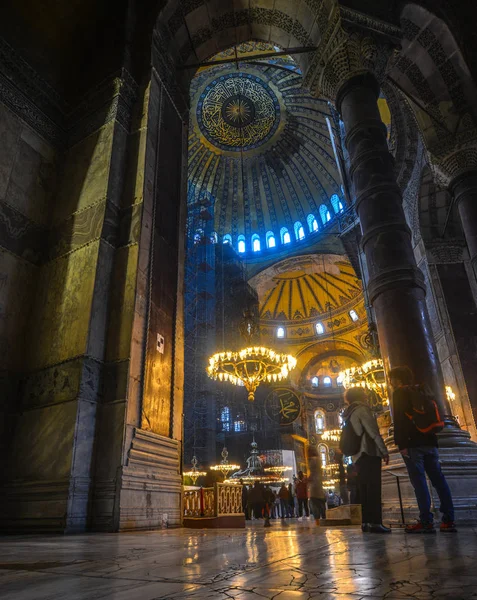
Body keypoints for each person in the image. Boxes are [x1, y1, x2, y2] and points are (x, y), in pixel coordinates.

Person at [389, 366, 456, 533]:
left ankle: (426, 521)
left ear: (397, 379)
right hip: (431, 442)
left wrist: (401, 444)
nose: (390, 382)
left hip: (413, 445)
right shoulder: (421, 390)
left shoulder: (399, 393)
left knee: (419, 483)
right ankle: (448, 520)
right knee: (439, 481)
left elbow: (399, 421)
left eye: (391, 379)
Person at [343, 387, 390, 533]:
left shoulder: (349, 413)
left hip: (357, 456)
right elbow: (373, 432)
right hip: (368, 452)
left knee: (363, 490)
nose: (366, 396)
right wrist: (384, 451)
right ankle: (375, 523)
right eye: (364, 394)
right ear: (360, 396)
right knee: (373, 489)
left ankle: (366, 522)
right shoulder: (362, 410)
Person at [307, 447, 327, 524]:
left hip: (314, 484)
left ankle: (317, 521)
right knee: (320, 502)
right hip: (319, 482)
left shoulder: (312, 460)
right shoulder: (319, 460)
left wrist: (308, 479)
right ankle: (324, 519)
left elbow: (312, 472)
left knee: (314, 502)